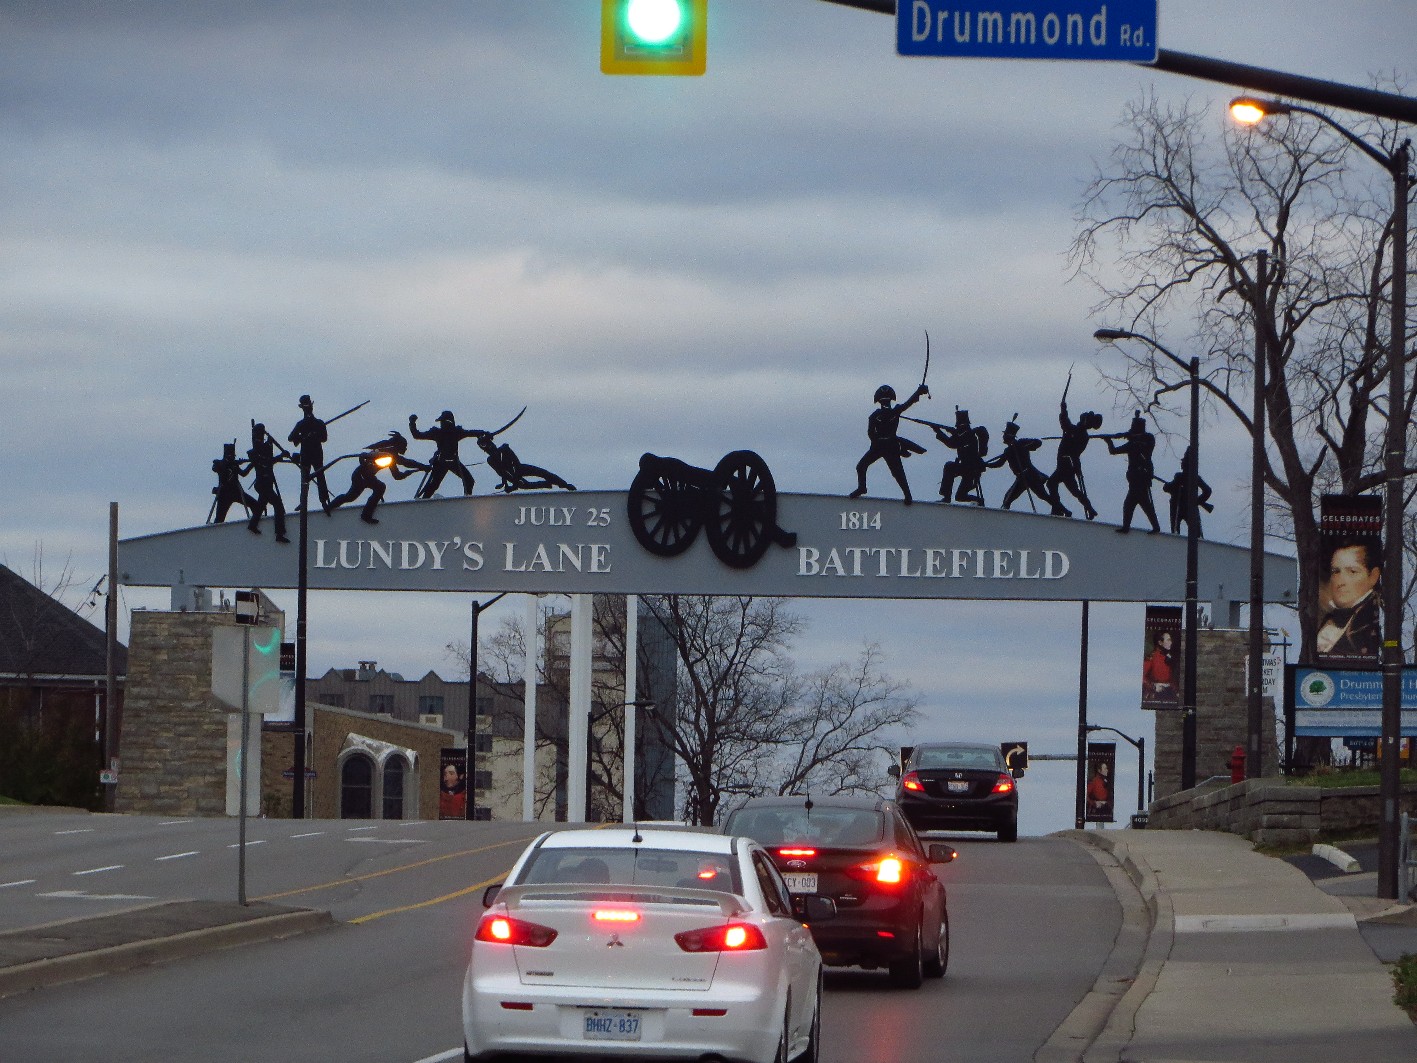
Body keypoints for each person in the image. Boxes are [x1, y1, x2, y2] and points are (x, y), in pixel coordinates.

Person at [850, 382, 930, 504]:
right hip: (879, 446)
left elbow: (909, 403)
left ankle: (908, 495)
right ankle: (862, 487)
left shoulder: (894, 412)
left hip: (890, 446)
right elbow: (870, 433)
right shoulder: (876, 415)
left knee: (898, 472)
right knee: (861, 466)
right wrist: (877, 442)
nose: (886, 403)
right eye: (884, 401)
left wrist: (919, 392)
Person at [987, 415, 1067, 515]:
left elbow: (1037, 442)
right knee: (1008, 498)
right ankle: (1004, 514)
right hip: (1021, 477)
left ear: (1009, 436)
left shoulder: (1020, 443)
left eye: (1005, 434)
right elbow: (999, 463)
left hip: (1030, 475)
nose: (1003, 437)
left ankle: (1064, 511)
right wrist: (987, 465)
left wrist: (1023, 447)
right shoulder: (1008, 450)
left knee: (1043, 496)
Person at [1316, 540, 1382, 661]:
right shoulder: (1328, 620)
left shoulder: (1371, 621)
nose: (1341, 582)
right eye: (1336, 572)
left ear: (1373, 576)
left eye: (1352, 571)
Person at [1046, 390, 1102, 520]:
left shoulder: (1078, 432)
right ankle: (1089, 508)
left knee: (1052, 483)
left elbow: (1065, 423)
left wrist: (1063, 409)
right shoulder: (1081, 433)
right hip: (1069, 464)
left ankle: (1058, 509)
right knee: (1074, 490)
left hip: (1066, 463)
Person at [1106, 411, 1160, 534]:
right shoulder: (1132, 443)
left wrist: (1132, 437)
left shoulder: (1146, 440)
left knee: (1138, 503)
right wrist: (1109, 441)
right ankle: (1129, 526)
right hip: (1134, 479)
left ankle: (1134, 527)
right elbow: (1113, 451)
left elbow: (1146, 443)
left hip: (1142, 477)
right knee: (1137, 504)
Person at [409, 409, 478, 498]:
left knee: (468, 481)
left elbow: (472, 433)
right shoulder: (443, 432)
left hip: (452, 461)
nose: (442, 424)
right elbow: (417, 435)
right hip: (442, 462)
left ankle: (467, 499)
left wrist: (483, 433)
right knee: (434, 485)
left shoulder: (454, 432)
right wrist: (412, 423)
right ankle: (424, 502)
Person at [933, 408, 989, 505]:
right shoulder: (964, 435)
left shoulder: (969, 435)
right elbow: (955, 440)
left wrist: (939, 432)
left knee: (949, 468)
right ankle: (946, 496)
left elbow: (952, 443)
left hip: (971, 469)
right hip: (966, 467)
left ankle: (978, 501)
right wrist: (950, 433)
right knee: (960, 495)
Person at [288, 394, 333, 513]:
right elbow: (291, 437)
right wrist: (303, 437)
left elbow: (323, 438)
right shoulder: (305, 424)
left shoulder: (317, 423)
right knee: (308, 478)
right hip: (308, 454)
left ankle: (324, 501)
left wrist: (312, 435)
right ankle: (307, 502)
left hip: (314, 454)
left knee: (318, 477)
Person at [1142, 630, 1178, 704]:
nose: (1171, 643)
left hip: (1170, 694)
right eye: (1168, 640)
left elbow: (1172, 678)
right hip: (1155, 695)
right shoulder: (1152, 657)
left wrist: (1176, 690)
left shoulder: (1170, 657)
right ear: (1160, 643)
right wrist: (1153, 686)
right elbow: (1142, 677)